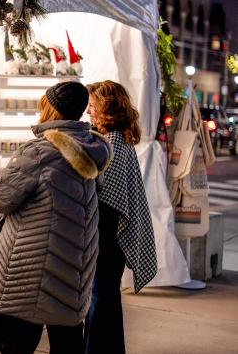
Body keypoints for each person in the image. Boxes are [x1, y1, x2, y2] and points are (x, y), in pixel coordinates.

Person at [0, 81, 112, 354]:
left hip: (31, 269)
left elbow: (2, 198)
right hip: (73, 266)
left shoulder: (39, 152)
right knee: (67, 344)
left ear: (50, 108)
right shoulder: (91, 147)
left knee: (17, 343)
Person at [84, 80, 158, 354]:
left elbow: (108, 200)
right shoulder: (118, 138)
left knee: (101, 299)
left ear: (107, 108)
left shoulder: (111, 142)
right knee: (106, 299)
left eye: (93, 107)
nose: (89, 112)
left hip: (108, 234)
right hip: (111, 234)